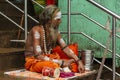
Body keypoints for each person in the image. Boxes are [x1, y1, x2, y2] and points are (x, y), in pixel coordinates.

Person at [25, 5, 85, 73]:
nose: (60, 21)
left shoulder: (55, 32)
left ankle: (62, 69)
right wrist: (61, 62)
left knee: (75, 65)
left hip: (50, 58)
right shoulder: (36, 30)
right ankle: (62, 68)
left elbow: (65, 48)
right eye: (58, 19)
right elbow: (38, 56)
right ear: (49, 20)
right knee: (52, 66)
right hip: (34, 61)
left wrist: (78, 61)